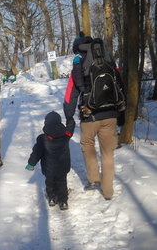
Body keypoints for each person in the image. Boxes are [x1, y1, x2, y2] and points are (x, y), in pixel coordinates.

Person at [63, 32, 124, 200]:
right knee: (107, 152)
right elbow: (120, 84)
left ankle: (94, 179)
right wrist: (122, 113)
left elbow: (71, 93)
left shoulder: (78, 61)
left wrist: (68, 116)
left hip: (89, 113)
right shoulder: (107, 57)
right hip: (111, 113)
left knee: (87, 144)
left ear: (77, 47)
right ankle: (108, 191)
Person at [25, 111, 74, 210]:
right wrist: (70, 118)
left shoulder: (42, 138)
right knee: (62, 183)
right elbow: (71, 127)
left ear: (46, 123)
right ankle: (63, 201)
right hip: (63, 166)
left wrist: (31, 164)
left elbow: (36, 152)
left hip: (49, 168)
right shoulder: (66, 135)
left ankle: (52, 198)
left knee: (50, 182)